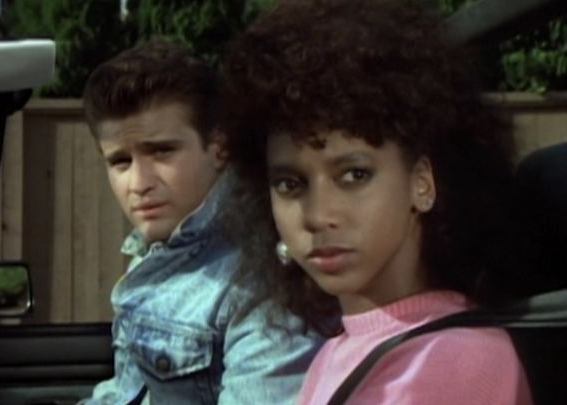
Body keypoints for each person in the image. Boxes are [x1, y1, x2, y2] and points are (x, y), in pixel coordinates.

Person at [220, 0, 536, 403]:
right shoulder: (340, 349)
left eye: (354, 175)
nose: (318, 215)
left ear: (422, 182)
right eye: (290, 184)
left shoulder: (453, 362)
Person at [79, 39, 324, 404]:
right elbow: (122, 395)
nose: (139, 183)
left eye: (162, 152)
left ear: (218, 148)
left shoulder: (261, 282)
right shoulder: (158, 253)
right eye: (120, 162)